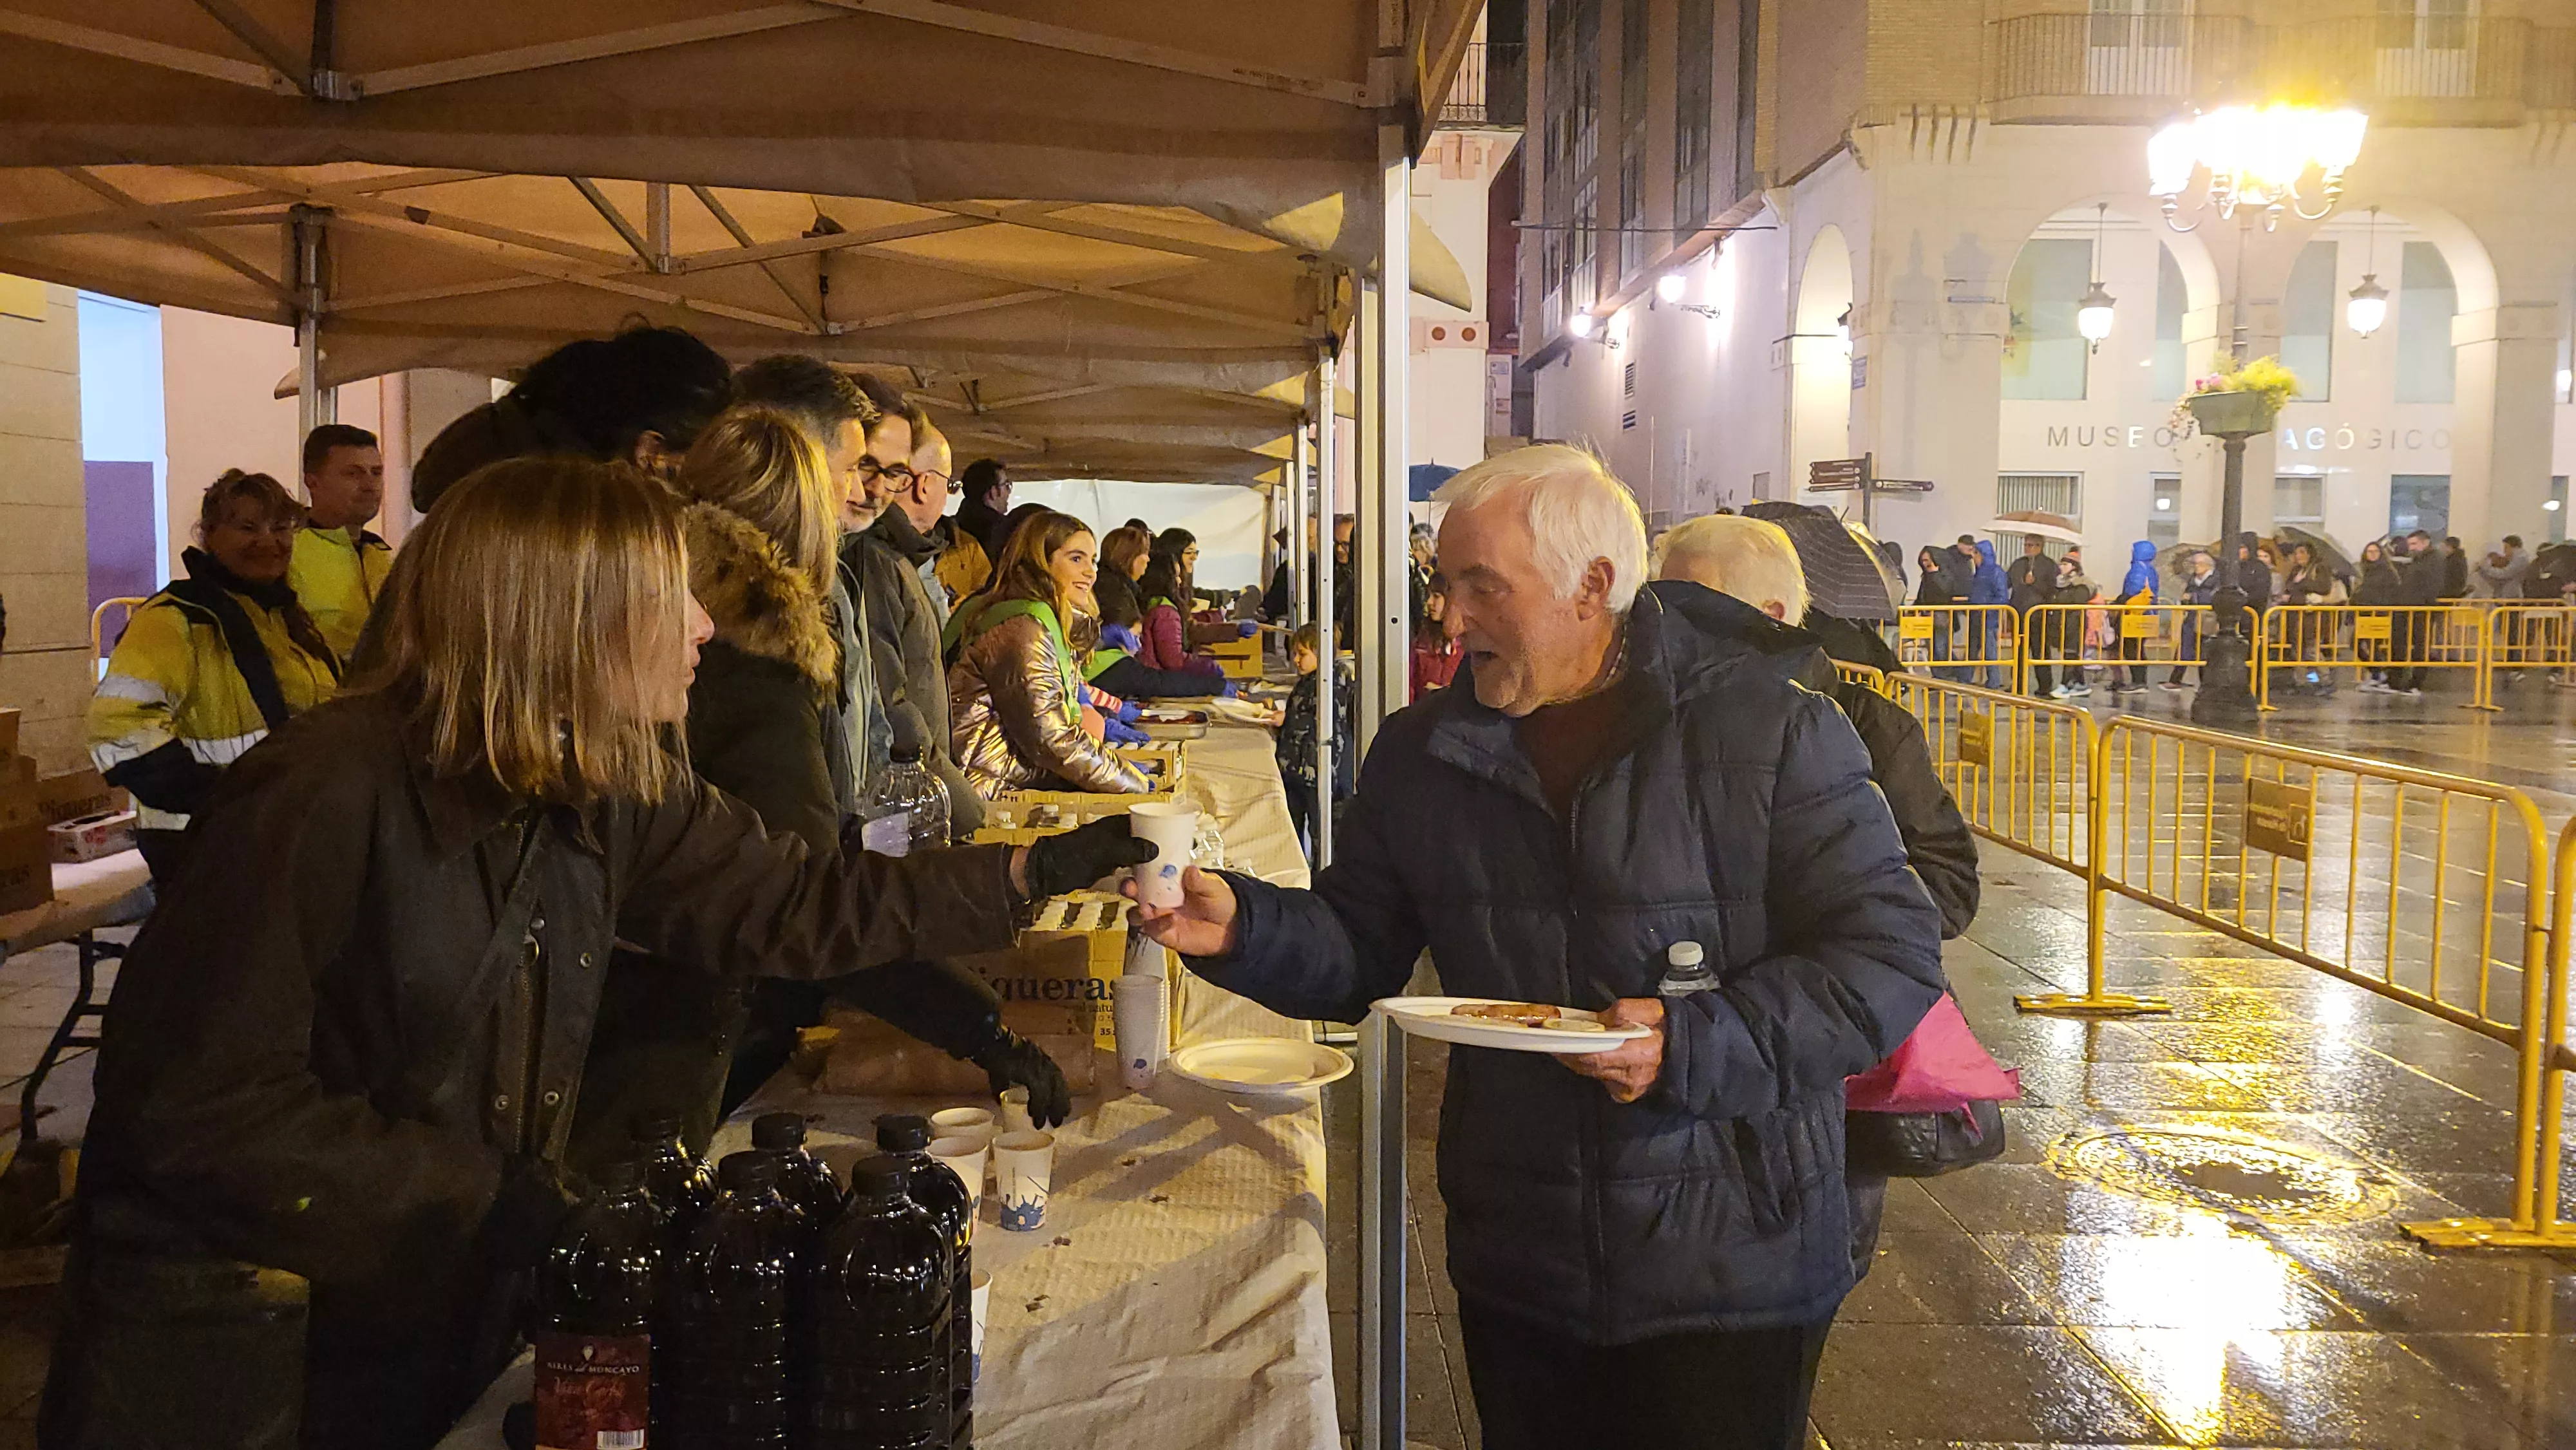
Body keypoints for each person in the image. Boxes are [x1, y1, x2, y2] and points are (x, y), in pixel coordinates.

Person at [43, 457, 1153, 1450]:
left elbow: (793, 898)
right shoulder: (321, 792)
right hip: (258, 1355)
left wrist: (1021, 880)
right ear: (570, 613)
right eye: (671, 595)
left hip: (427, 1302)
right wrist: (489, 1202)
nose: (704, 628)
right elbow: (201, 1110)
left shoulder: (608, 775)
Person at [1131, 446, 1942, 1450]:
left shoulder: (1772, 728)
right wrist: (1243, 927)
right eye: (1443, 585)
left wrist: (1692, 1046)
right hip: (1523, 1250)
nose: (1447, 618)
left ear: (1591, 587)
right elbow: (1358, 945)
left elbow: (1891, 953)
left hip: (1734, 1257)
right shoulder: (1424, 751)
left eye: (1481, 588)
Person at [567, 408, 1044, 1171]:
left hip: (669, 1017)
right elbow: (803, 901)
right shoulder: (753, 660)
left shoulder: (762, 634)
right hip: (670, 1042)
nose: (869, 491)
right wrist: (986, 1023)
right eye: (852, 473)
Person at [90, 470, 341, 879]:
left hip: (284, 834)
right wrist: (219, 797)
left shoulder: (287, 621)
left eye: (280, 528)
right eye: (247, 528)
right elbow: (118, 730)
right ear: (210, 534)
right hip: (205, 843)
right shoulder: (174, 620)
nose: (268, 541)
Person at [730, 356, 892, 811]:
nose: (859, 491)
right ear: (797, 462)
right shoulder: (748, 609)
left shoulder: (830, 581)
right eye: (851, 469)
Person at [946, 511, 1153, 797]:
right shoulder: (1023, 627)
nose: (1091, 572)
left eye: (1092, 560)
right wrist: (1131, 782)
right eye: (1076, 558)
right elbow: (1051, 739)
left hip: (1007, 779)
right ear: (1040, 562)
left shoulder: (1041, 617)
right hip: (989, 792)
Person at [410, 326, 732, 507]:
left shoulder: (516, 431)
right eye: (691, 473)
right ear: (650, 454)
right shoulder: (564, 508)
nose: (694, 495)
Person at [852, 409, 985, 834]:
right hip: (902, 802)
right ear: (927, 483)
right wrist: (963, 813)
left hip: (916, 794)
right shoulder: (875, 559)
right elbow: (893, 705)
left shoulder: (898, 559)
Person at [289, 423, 391, 661]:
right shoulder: (285, 553)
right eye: (353, 473)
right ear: (312, 482)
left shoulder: (383, 554)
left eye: (376, 473)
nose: (369, 485)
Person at [1276, 622, 1354, 856]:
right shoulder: (1310, 681)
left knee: (1322, 834)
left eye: (1302, 654)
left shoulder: (1331, 683)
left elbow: (1327, 724)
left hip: (1317, 772)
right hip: (1298, 770)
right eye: (1294, 654)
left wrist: (1288, 720)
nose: (1296, 660)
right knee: (1294, 828)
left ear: (1322, 654)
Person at [1086, 581, 1231, 701]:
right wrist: (1214, 686)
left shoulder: (1095, 655)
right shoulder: (1116, 664)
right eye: (1137, 635)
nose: (1139, 643)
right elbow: (1160, 683)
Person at [1137, 529, 1251, 677]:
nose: (1195, 558)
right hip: (1160, 679)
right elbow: (1173, 659)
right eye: (1189, 552)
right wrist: (1206, 667)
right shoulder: (1164, 609)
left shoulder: (1172, 597)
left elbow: (1188, 628)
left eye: (1196, 553)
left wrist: (1235, 630)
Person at [2386, 529, 2443, 695]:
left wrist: (2421, 602)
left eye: (2414, 544)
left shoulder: (2433, 561)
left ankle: (2415, 683)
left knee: (2420, 646)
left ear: (2425, 543)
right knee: (2401, 643)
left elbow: (2431, 586)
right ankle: (2397, 680)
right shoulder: (2418, 560)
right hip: (2407, 607)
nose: (2411, 548)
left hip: (2420, 609)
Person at [2005, 535, 2056, 695]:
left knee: (2040, 651)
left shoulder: (2049, 565)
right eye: (2026, 545)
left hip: (2038, 615)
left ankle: (2045, 686)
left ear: (2040, 546)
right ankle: (2018, 684)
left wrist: (2035, 583)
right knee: (2019, 652)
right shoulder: (2019, 564)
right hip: (2018, 613)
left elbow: (2052, 589)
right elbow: (2008, 582)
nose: (2028, 548)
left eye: (2032, 545)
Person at [2164, 550, 2219, 691]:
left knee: (2203, 650)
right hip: (2192, 617)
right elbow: (2187, 597)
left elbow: (2212, 598)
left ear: (2208, 565)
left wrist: (2196, 597)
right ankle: (2175, 679)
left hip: (2207, 619)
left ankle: (2205, 683)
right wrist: (2186, 599)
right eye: (2194, 564)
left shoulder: (2216, 580)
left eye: (2199, 564)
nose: (2196, 567)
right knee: (2184, 648)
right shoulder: (2193, 580)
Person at [2352, 539, 2401, 690]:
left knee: (2373, 646)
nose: (2372, 555)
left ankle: (2377, 675)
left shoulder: (2387, 572)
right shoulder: (2363, 571)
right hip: (2364, 613)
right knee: (2355, 644)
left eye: (2375, 551)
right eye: (2369, 552)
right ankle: (2377, 673)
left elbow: (2390, 593)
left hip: (2379, 613)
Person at [2110, 540, 2157, 693]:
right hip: (2147, 614)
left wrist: (2118, 602)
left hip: (2135, 615)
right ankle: (2139, 681)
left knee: (2133, 648)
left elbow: (2133, 591)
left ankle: (2139, 682)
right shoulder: (2151, 570)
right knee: (2137, 648)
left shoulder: (2138, 570)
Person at [1410, 574, 1462, 698]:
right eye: (1429, 596)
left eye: (1436, 597)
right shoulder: (1423, 640)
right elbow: (1410, 683)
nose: (1429, 602)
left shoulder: (1468, 644)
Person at [952, 457, 1014, 561]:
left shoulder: (952, 528)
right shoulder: (1005, 533)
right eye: (1006, 485)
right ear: (994, 492)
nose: (1009, 492)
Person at [1967, 538, 2011, 688]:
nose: (1974, 557)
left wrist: (1988, 608)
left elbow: (2002, 596)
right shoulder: (1980, 573)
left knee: (1989, 649)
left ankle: (1994, 681)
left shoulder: (1996, 572)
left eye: (1976, 553)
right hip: (1977, 615)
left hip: (1989, 617)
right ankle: (1966, 679)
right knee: (1973, 649)